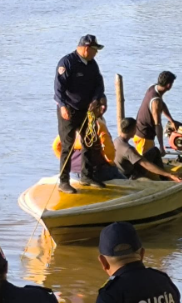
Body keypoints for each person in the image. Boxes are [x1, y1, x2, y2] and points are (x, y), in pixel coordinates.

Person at [54, 34, 108, 194]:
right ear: (86, 48)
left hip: (87, 111)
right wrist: (63, 106)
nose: (96, 53)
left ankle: (87, 176)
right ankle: (63, 181)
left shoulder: (92, 64)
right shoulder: (67, 62)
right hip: (69, 110)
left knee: (89, 142)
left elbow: (99, 85)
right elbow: (58, 89)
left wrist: (97, 99)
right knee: (67, 145)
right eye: (94, 50)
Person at [52, 117, 124, 183]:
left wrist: (67, 160)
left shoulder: (72, 126)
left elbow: (56, 146)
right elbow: (109, 152)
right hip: (95, 172)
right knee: (118, 174)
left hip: (72, 169)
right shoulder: (99, 125)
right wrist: (110, 163)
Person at [114, 118, 182, 183]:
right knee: (147, 166)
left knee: (154, 150)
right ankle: (165, 179)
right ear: (132, 130)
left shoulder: (116, 141)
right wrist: (169, 175)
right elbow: (146, 164)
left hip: (122, 170)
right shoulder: (128, 149)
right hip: (130, 176)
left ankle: (163, 176)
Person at [133, 71, 178, 156]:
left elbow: (162, 104)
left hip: (139, 131)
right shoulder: (156, 102)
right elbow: (157, 124)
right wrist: (161, 146)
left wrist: (171, 120)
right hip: (144, 138)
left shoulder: (153, 88)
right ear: (169, 85)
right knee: (145, 164)